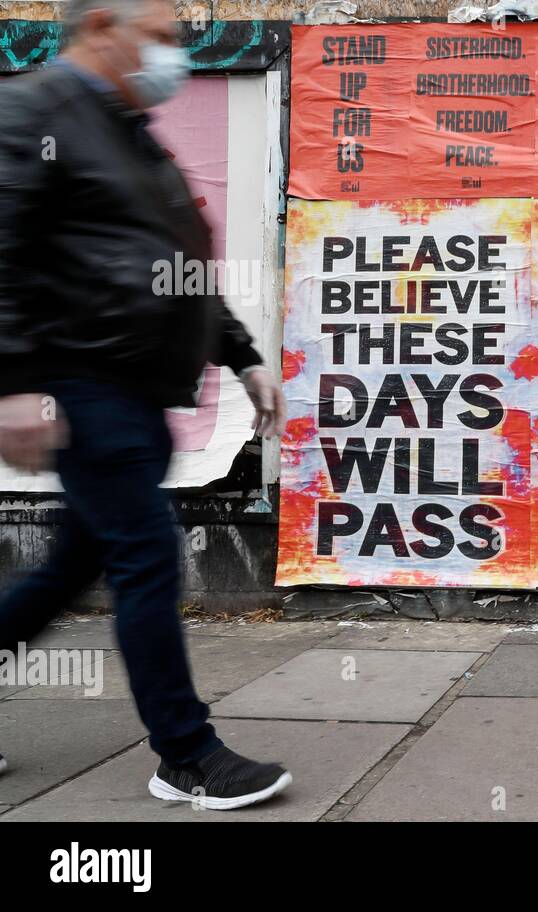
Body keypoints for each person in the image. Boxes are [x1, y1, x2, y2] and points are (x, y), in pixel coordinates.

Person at [0, 0, 292, 809]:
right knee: (148, 558)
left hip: (137, 388)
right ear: (101, 27)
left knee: (69, 570)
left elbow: (181, 260)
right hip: (82, 384)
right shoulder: (30, 111)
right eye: (161, 37)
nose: (175, 54)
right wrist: (17, 379)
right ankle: (187, 753)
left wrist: (242, 357)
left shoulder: (128, 133)